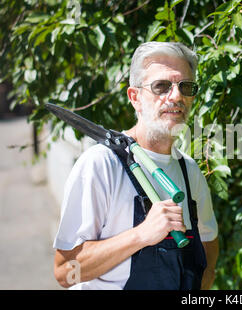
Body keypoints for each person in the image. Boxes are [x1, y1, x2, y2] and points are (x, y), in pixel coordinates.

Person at [52, 42, 219, 290]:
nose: (176, 96)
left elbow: (208, 257)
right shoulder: (101, 165)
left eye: (186, 86)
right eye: (161, 86)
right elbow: (66, 273)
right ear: (135, 97)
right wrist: (141, 235)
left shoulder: (190, 171)